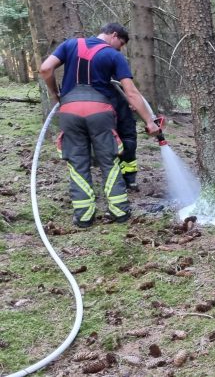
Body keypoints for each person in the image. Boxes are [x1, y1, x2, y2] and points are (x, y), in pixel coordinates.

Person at [39, 23, 159, 227]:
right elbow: (131, 93)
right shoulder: (113, 55)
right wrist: (150, 121)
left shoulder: (70, 45)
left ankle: (84, 217)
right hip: (100, 111)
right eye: (120, 43)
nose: (119, 48)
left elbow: (45, 68)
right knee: (109, 161)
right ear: (113, 35)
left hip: (69, 111)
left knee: (77, 163)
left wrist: (55, 94)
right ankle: (120, 212)